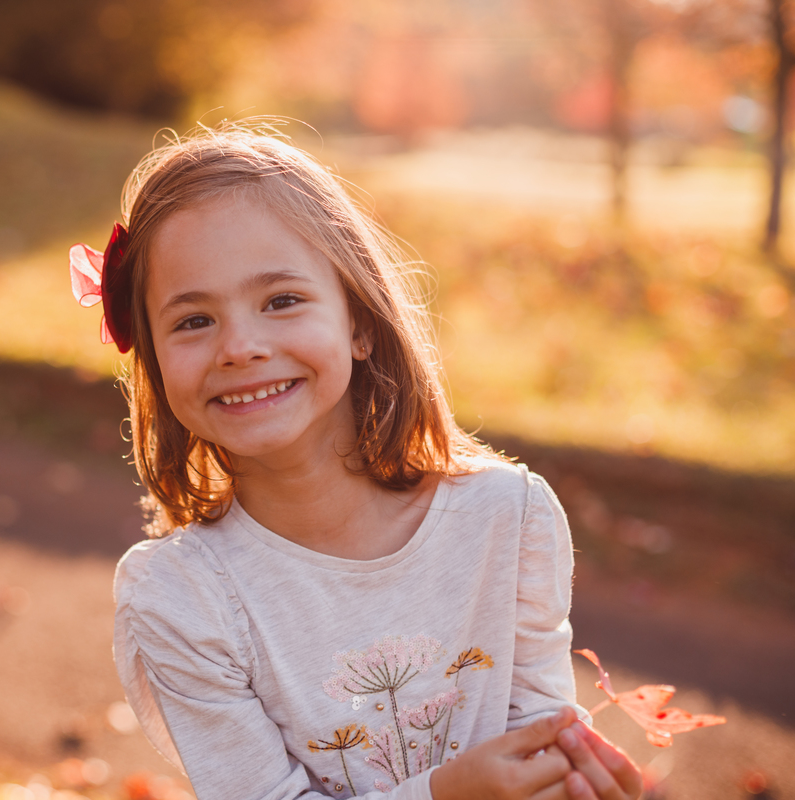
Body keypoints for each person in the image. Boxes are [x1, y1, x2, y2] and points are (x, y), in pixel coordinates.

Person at [69, 121, 642, 800]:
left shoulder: (507, 519)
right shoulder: (181, 599)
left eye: (281, 301)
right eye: (194, 320)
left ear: (360, 324)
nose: (240, 346)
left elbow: (540, 742)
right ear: (156, 364)